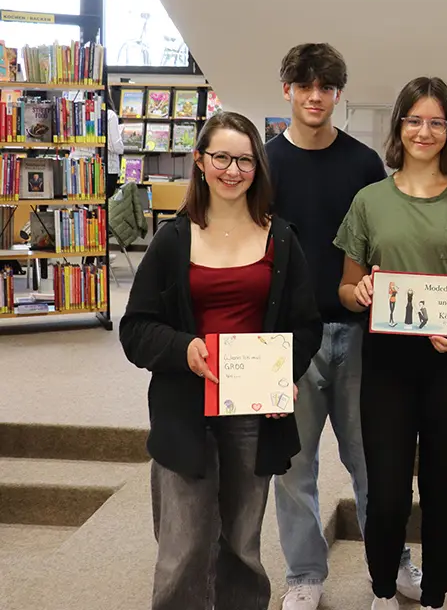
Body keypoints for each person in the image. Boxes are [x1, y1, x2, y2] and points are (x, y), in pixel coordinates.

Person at [119, 111, 322, 610]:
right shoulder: (172, 240)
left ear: (259, 167)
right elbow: (136, 329)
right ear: (200, 161)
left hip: (254, 413)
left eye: (245, 160)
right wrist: (183, 349)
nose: (233, 170)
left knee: (242, 549)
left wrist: (283, 373)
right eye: (222, 158)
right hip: (185, 410)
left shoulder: (282, 239)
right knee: (182, 550)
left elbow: (306, 326)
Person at [335, 76, 447, 610]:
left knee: (440, 489)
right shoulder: (369, 201)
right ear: (399, 126)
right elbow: (346, 289)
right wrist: (360, 293)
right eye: (414, 120)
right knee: (386, 493)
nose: (424, 132)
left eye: (436, 122)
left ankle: (434, 596)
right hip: (386, 362)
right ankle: (384, 589)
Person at [266, 44, 421, 610]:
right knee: (293, 465)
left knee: (375, 461)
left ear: (338, 94)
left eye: (326, 88)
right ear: (287, 89)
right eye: (305, 86)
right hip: (291, 341)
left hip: (361, 334)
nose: (315, 97)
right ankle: (304, 574)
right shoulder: (264, 164)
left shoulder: (362, 164)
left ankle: (393, 562)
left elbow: (383, 244)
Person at [106, 89, 124, 197]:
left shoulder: (82, 111)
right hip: (109, 167)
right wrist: (122, 147)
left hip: (85, 165)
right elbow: (115, 145)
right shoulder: (110, 115)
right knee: (106, 201)